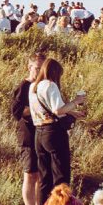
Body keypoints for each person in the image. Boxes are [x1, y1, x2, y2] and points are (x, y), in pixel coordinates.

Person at [28, 57, 83, 197]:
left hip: (39, 133)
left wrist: (71, 112)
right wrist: (76, 102)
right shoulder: (50, 85)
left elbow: (47, 108)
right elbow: (58, 110)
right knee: (61, 176)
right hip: (53, 133)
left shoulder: (33, 86)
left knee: (44, 177)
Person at [14, 53, 43, 205]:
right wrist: (36, 111)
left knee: (42, 176)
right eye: (37, 68)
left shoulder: (43, 85)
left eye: (42, 68)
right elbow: (16, 111)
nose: (39, 71)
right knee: (30, 175)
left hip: (42, 135)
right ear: (29, 67)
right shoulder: (24, 86)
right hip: (27, 136)